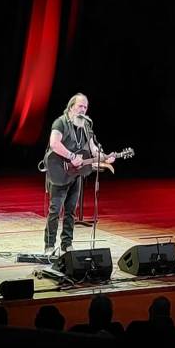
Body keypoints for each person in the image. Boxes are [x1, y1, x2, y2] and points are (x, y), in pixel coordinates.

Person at [43, 93, 115, 255]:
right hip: (59, 172)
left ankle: (67, 244)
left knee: (71, 211)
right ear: (71, 107)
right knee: (55, 210)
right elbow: (54, 144)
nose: (83, 110)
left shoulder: (86, 126)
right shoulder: (60, 122)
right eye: (80, 106)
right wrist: (71, 156)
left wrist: (105, 157)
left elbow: (93, 148)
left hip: (76, 175)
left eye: (85, 107)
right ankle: (49, 246)